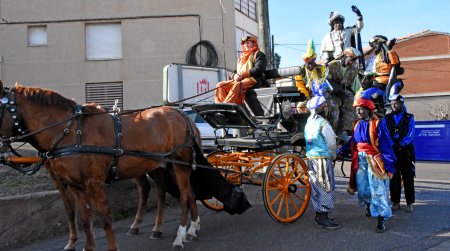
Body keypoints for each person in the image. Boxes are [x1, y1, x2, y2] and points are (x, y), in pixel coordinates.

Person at [351, 97, 396, 233]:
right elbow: (354, 142)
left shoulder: (378, 124)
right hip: (361, 159)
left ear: (368, 110)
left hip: (375, 159)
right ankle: (370, 205)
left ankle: (381, 218)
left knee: (378, 190)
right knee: (363, 187)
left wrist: (389, 164)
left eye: (361, 109)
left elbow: (386, 144)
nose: (358, 112)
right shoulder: (356, 124)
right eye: (356, 109)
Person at [304, 95, 340, 230]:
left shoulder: (309, 122)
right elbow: (331, 143)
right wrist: (334, 155)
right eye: (325, 106)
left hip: (311, 159)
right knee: (326, 186)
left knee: (316, 187)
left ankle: (319, 215)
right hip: (323, 159)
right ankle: (324, 218)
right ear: (321, 109)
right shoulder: (323, 123)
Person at [215, 35, 268, 104]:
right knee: (220, 85)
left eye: (248, 43)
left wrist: (242, 76)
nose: (246, 45)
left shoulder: (259, 54)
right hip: (240, 80)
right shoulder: (241, 58)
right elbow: (234, 72)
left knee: (237, 85)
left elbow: (259, 69)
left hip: (254, 80)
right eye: (244, 43)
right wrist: (234, 76)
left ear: (253, 44)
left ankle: (228, 107)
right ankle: (220, 107)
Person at [385, 94, 416, 212]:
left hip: (406, 152)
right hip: (393, 152)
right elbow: (386, 133)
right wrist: (393, 144)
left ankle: (409, 203)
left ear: (402, 104)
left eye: (396, 103)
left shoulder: (409, 117)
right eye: (392, 103)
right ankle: (395, 202)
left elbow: (411, 133)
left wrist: (402, 144)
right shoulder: (387, 118)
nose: (394, 105)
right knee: (394, 178)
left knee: (408, 178)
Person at [362, 35, 404, 114]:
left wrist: (389, 49)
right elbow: (372, 70)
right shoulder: (374, 57)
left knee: (393, 99)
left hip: (387, 82)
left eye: (376, 44)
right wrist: (367, 75)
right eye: (373, 45)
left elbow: (395, 63)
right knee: (363, 95)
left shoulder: (389, 53)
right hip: (375, 82)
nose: (374, 47)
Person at [326, 47, 361, 137]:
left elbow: (355, 87)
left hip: (343, 91)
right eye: (351, 59)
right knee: (335, 106)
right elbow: (326, 81)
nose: (352, 61)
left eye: (354, 60)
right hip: (330, 91)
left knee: (351, 102)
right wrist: (334, 89)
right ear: (344, 56)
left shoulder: (354, 70)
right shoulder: (331, 65)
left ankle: (345, 130)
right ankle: (332, 131)